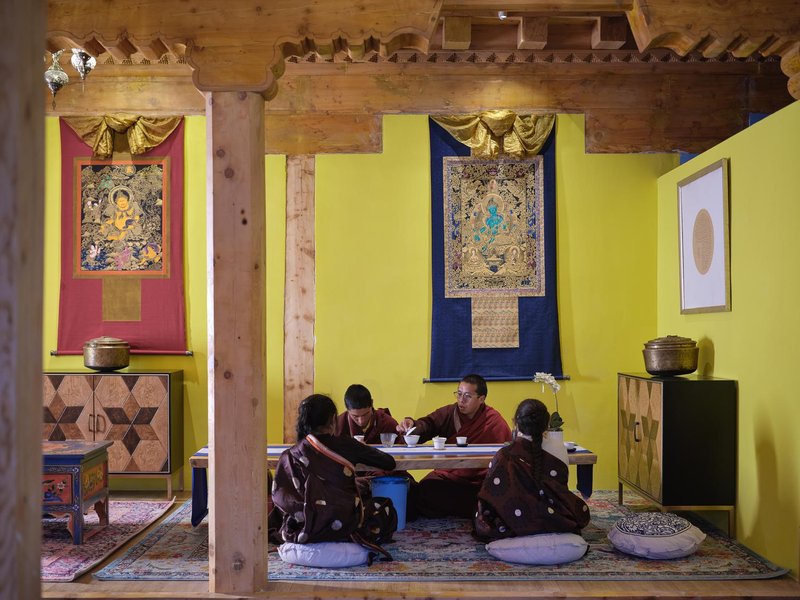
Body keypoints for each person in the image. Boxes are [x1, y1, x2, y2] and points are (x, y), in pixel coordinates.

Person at [271, 394, 398, 559]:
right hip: (345, 523)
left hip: (305, 524)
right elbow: (389, 463)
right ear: (333, 420)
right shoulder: (347, 444)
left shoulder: (291, 454)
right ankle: (343, 534)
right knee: (385, 507)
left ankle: (307, 531)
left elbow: (282, 496)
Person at [396, 374, 512, 518]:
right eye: (459, 393)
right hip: (450, 476)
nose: (461, 400)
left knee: (489, 495)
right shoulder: (450, 413)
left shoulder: (494, 421)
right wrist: (412, 424)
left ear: (481, 399)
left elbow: (506, 458)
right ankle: (473, 509)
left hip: (479, 482)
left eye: (467, 396)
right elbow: (428, 424)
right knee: (425, 489)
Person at [473, 398, 590, 541]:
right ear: (546, 424)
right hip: (555, 515)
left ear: (516, 423)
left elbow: (492, 494)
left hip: (516, 519)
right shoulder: (559, 448)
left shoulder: (505, 454)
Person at [334, 384, 399, 444]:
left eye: (365, 414)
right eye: (355, 416)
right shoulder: (337, 425)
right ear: (347, 409)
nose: (361, 421)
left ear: (372, 403)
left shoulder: (387, 423)